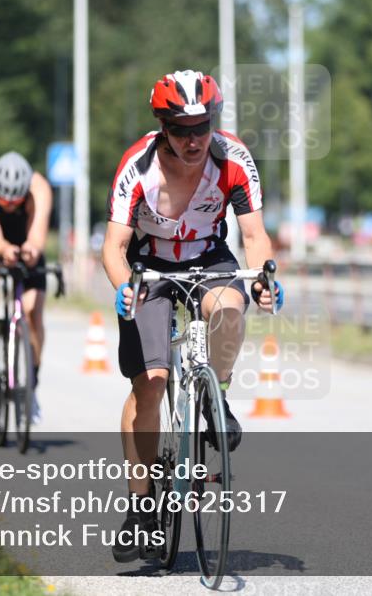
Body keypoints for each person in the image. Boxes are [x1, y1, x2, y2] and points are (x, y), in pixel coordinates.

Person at [102, 70, 283, 563]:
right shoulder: (137, 166)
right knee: (151, 383)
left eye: (202, 126)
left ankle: (214, 398)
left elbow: (254, 235)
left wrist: (264, 277)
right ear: (162, 127)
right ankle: (140, 506)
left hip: (208, 258)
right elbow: (113, 248)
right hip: (148, 264)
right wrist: (124, 289)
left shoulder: (233, 158)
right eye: (181, 129)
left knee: (228, 309)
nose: (193, 139)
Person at [0, 152, 53, 414]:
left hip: (23, 235)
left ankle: (32, 384)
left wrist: (31, 250)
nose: (10, 206)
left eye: (16, 202)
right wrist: (3, 250)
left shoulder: (39, 187)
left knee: (32, 310)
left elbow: (37, 235)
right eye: (4, 201)